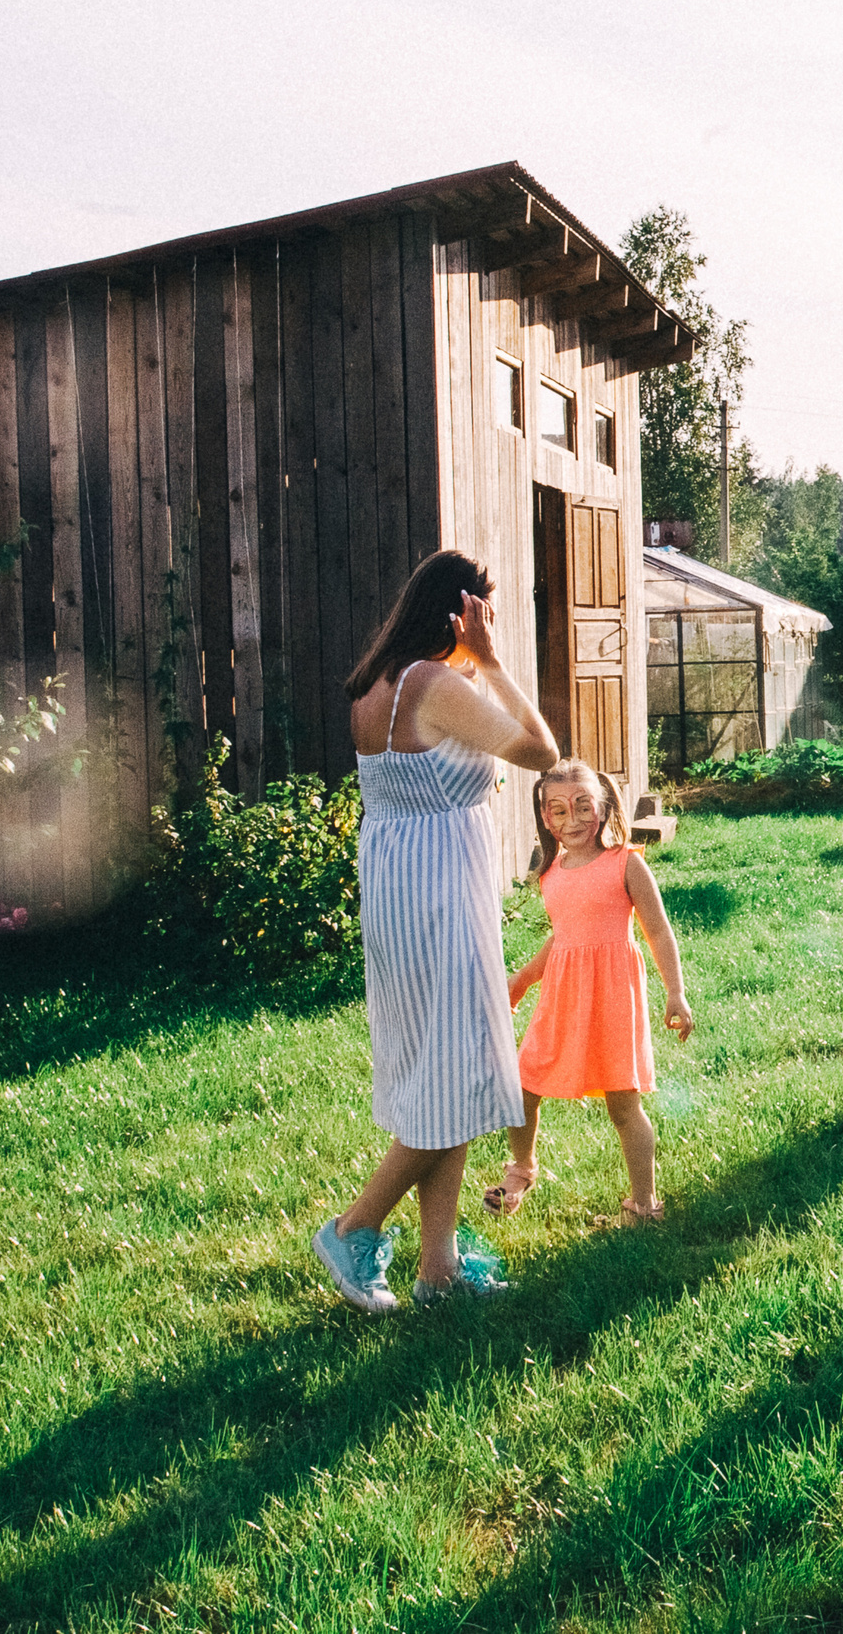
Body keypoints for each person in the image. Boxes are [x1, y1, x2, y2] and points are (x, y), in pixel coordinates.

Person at [313, 550, 560, 1314]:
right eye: (483, 610)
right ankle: (354, 1226)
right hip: (440, 894)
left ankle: (438, 1268)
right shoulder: (435, 683)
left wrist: (472, 664)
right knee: (455, 1069)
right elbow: (542, 753)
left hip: (399, 885)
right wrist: (494, 662)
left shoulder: (376, 684)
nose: (487, 623)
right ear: (459, 612)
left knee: (443, 1074)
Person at [483, 760, 694, 1226]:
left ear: (603, 806)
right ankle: (521, 1171)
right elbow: (562, 936)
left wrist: (675, 992)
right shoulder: (552, 872)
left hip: (613, 997)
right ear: (545, 816)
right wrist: (522, 980)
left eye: (583, 806)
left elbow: (658, 931)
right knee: (522, 1085)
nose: (572, 819)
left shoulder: (626, 863)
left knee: (623, 1105)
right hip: (563, 997)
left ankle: (644, 1204)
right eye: (558, 810)